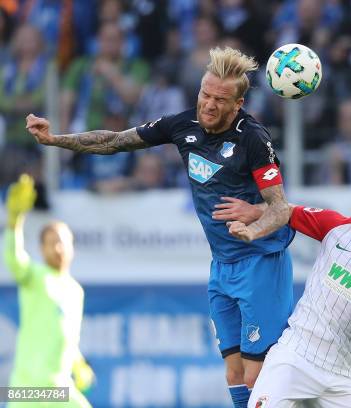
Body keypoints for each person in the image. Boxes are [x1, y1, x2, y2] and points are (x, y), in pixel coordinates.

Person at [25, 46, 294, 408]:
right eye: (205, 95)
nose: (209, 105)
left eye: (220, 100)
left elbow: (281, 208)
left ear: (239, 103)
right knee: (233, 373)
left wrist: (253, 223)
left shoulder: (253, 139)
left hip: (261, 260)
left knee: (257, 374)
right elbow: (115, 141)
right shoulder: (183, 125)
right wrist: (54, 139)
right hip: (222, 266)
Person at [213, 164, 351, 407]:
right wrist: (254, 211)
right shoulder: (339, 228)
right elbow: (288, 211)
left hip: (339, 375)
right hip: (295, 356)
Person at [3, 175, 94, 408]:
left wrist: (79, 365)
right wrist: (15, 222)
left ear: (72, 246)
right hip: (28, 389)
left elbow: (68, 338)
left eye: (62, 241)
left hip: (58, 388)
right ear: (41, 249)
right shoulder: (35, 276)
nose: (58, 247)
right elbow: (15, 261)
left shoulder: (75, 291)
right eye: (51, 242)